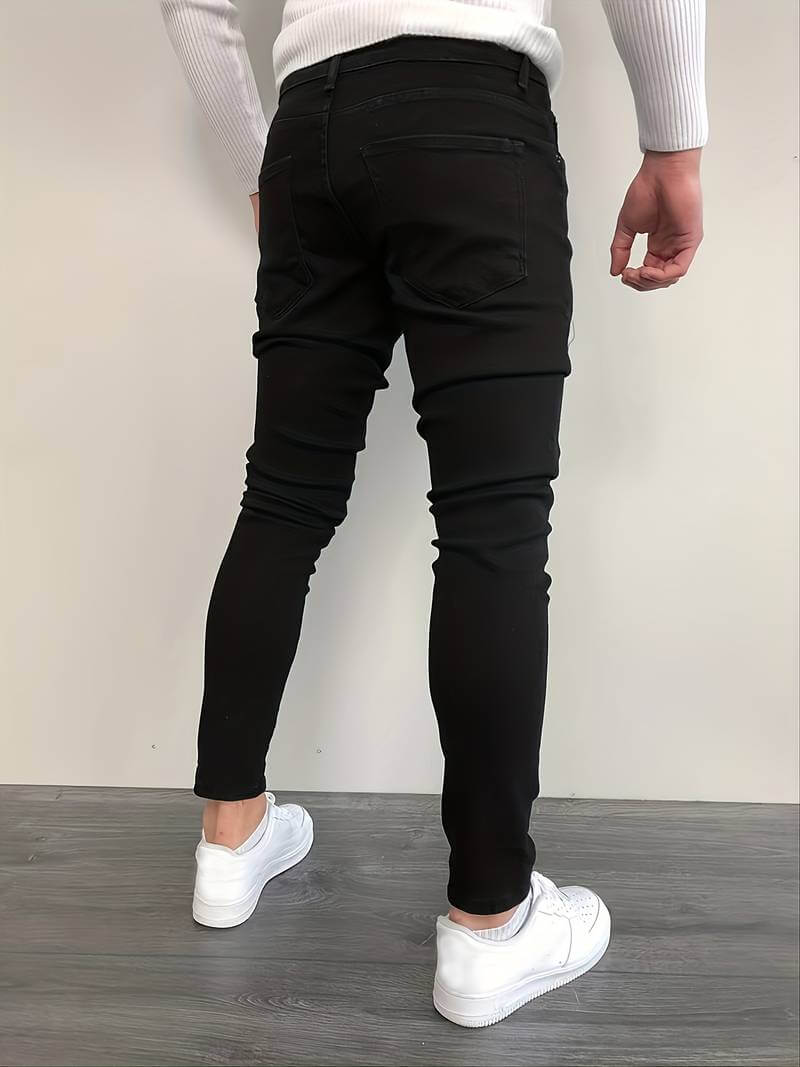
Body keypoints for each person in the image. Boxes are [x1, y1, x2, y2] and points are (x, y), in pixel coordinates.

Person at [160, 0, 706, 1027]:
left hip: (311, 127)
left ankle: (229, 838)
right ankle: (490, 922)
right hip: (470, 111)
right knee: (492, 522)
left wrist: (258, 164)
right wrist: (673, 139)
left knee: (282, 497)